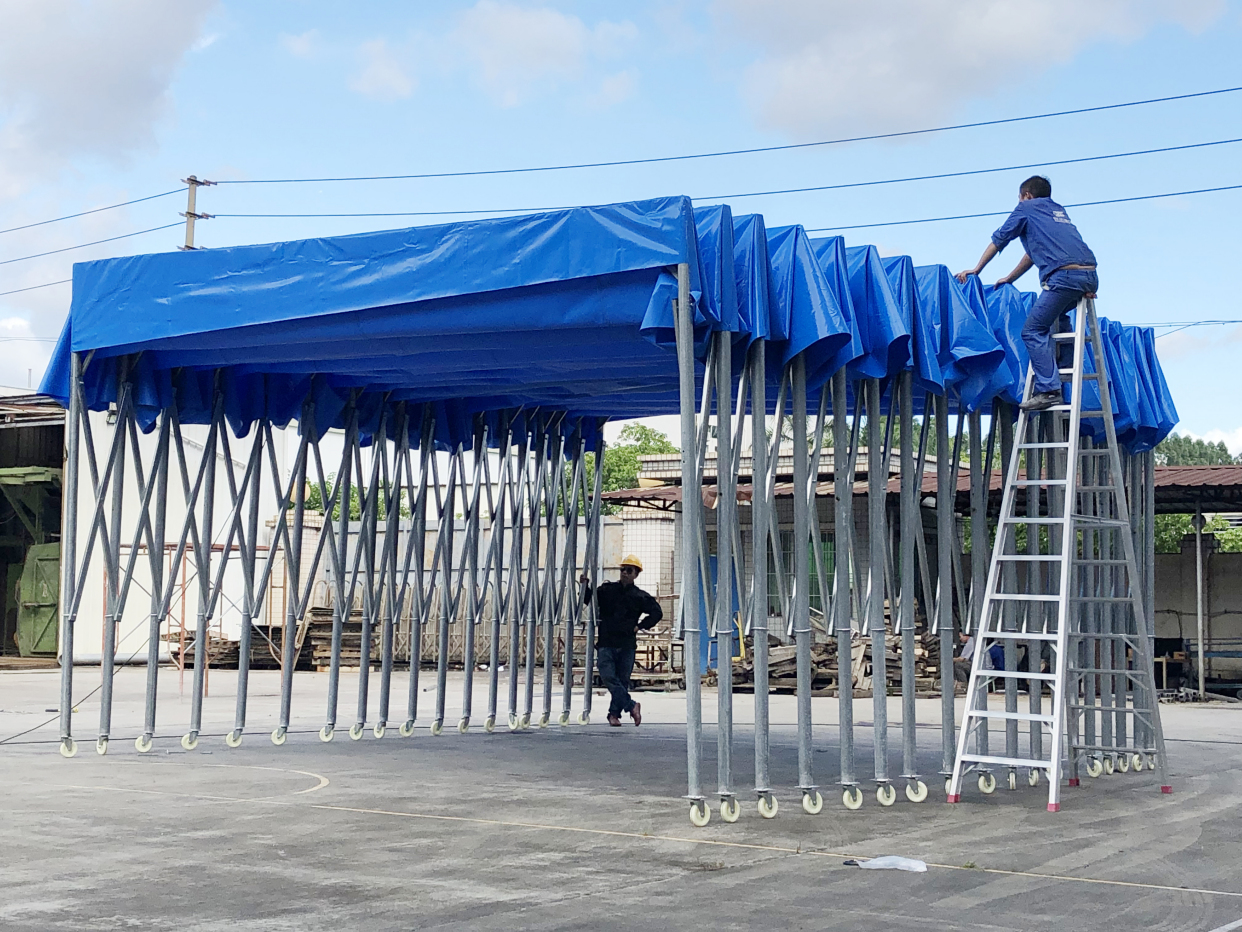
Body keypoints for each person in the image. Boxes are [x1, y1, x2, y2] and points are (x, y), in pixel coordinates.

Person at [956, 175, 1099, 412]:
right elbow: (1032, 254)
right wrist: (1010, 278)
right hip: (1089, 276)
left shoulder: (1026, 208)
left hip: (1063, 278)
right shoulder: (1057, 212)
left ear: (1026, 195)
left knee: (1032, 330)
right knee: (1058, 316)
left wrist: (976, 269)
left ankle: (1049, 390)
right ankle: (1066, 367)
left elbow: (999, 240)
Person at [579, 555, 662, 727]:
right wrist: (584, 586)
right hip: (607, 641)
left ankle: (613, 715)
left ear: (636, 574)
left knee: (622, 681)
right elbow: (589, 599)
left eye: (629, 570)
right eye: (622, 569)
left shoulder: (639, 596)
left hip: (626, 644)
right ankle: (632, 706)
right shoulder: (607, 590)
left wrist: (640, 626)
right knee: (608, 676)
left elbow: (657, 613)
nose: (624, 573)